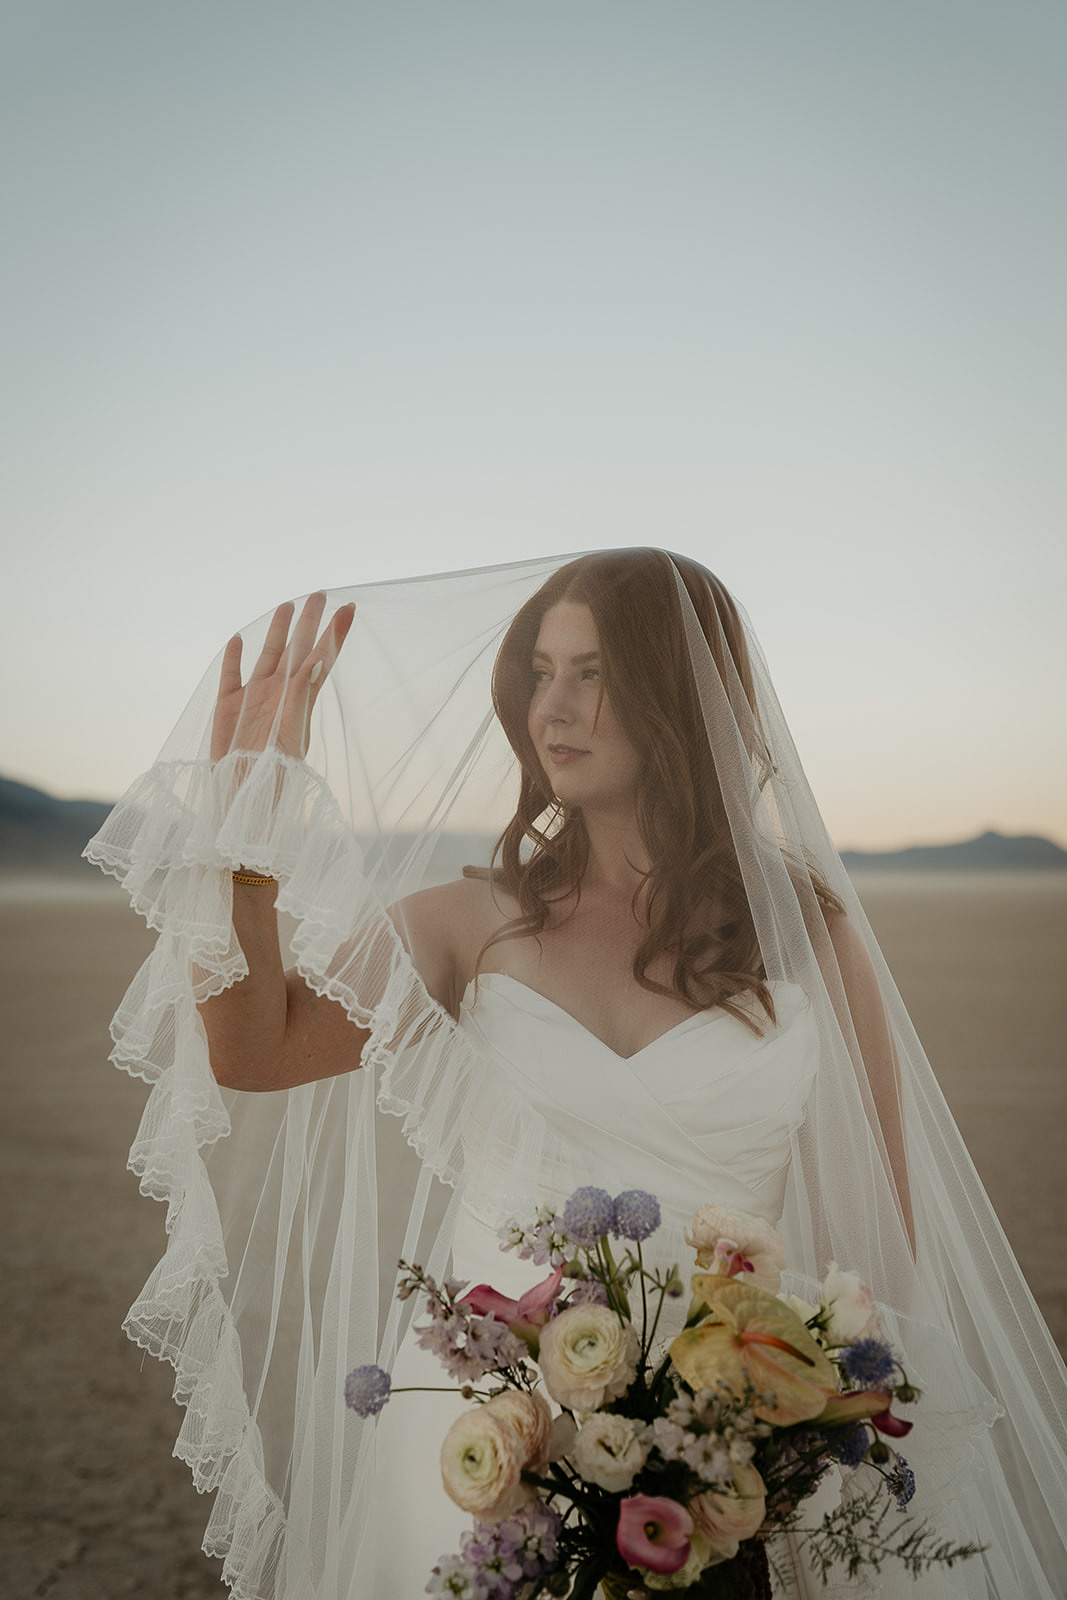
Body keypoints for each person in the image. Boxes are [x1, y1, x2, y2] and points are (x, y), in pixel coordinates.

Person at [86, 550, 1067, 1599]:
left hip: (727, 1455)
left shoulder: (808, 936)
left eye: (591, 672)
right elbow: (250, 1046)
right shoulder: (473, 921)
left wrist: (761, 1451)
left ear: (682, 695)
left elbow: (878, 1260)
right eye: (538, 673)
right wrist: (245, 831)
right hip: (485, 1439)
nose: (551, 707)